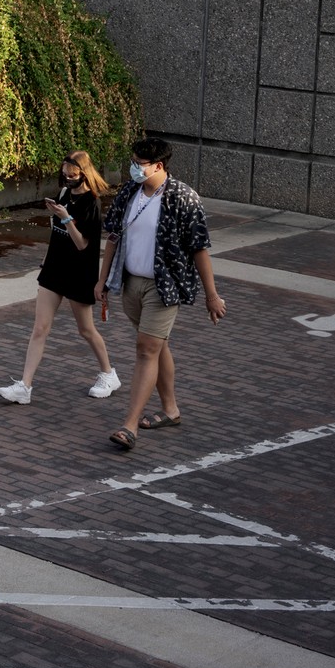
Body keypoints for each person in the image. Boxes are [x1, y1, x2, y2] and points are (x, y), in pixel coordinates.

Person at [95, 137, 226, 450]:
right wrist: (102, 281)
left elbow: (199, 249)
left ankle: (129, 426)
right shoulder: (129, 192)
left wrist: (212, 295)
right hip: (131, 284)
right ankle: (170, 410)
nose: (134, 168)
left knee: (146, 348)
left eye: (139, 164)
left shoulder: (183, 197)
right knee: (157, 345)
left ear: (159, 165)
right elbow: (113, 236)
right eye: (134, 161)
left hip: (164, 287)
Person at [0, 151, 120, 404]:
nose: (67, 179)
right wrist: (47, 256)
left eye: (73, 175)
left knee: (86, 329)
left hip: (79, 272)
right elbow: (56, 234)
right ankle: (25, 386)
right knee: (40, 327)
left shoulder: (91, 203)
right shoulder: (63, 194)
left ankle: (109, 374)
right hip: (54, 268)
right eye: (64, 175)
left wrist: (66, 219)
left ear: (83, 174)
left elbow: (81, 244)